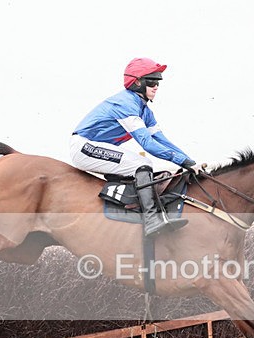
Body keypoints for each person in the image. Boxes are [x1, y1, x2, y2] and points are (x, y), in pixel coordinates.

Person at [70, 58, 196, 236]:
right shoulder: (125, 104)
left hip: (96, 147)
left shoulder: (145, 111)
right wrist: (183, 161)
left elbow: (162, 141)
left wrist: (190, 162)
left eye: (158, 82)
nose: (156, 87)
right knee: (141, 164)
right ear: (137, 82)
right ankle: (152, 220)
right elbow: (148, 144)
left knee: (147, 166)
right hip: (84, 146)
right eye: (152, 81)